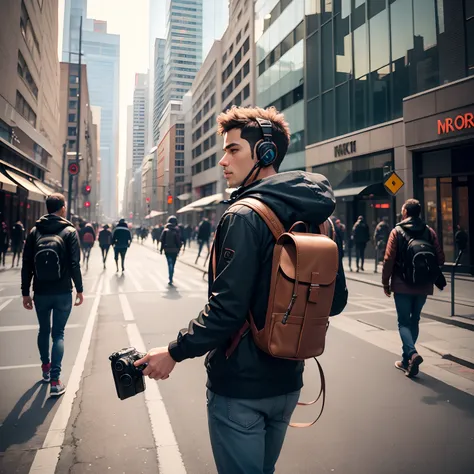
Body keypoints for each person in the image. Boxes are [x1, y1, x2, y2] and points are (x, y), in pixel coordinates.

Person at [135, 106, 347, 474]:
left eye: (233, 150)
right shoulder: (322, 219)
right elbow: (337, 301)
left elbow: (226, 311)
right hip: (289, 383)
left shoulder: (243, 216)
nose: (222, 160)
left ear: (265, 154)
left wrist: (173, 351)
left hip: (240, 390)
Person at [21, 193, 84, 397]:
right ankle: (56, 381)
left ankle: (46, 369)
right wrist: (80, 289)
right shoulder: (69, 231)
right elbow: (75, 263)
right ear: (63, 208)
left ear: (47, 207)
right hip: (63, 291)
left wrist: (25, 293)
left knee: (43, 330)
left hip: (40, 291)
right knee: (58, 334)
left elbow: (27, 264)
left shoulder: (34, 231)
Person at [382, 199, 445, 378]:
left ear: (405, 213)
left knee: (403, 322)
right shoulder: (429, 231)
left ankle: (412, 354)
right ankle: (406, 360)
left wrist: (385, 282)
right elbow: (440, 258)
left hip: (402, 285)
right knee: (414, 320)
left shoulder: (397, 231)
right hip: (423, 284)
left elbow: (388, 260)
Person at [160, 216, 182, 285]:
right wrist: (179, 248)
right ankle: (171, 276)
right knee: (173, 263)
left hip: (167, 250)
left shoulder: (165, 230)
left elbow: (162, 240)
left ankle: (170, 277)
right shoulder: (177, 230)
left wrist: (161, 249)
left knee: (169, 263)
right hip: (175, 250)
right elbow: (178, 241)